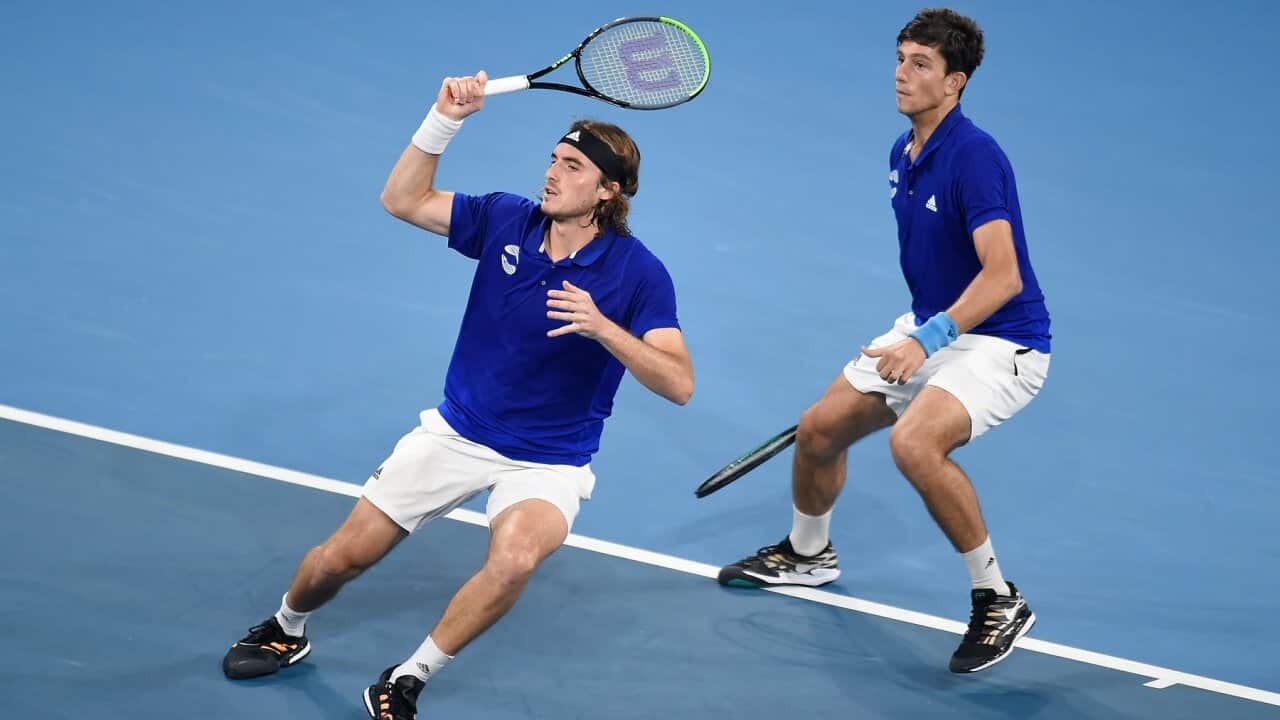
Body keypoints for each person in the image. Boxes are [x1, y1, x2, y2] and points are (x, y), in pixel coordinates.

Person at [221, 70, 694, 719]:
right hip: (456, 433)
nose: (553, 173)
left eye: (573, 166)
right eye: (553, 158)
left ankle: (408, 678)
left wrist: (604, 327)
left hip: (548, 460)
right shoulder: (506, 219)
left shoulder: (638, 274)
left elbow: (679, 384)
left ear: (608, 192)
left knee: (517, 559)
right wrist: (443, 120)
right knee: (339, 559)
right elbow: (402, 199)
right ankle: (285, 626)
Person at [717, 8, 1051, 674]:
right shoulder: (904, 152)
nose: (902, 74)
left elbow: (1005, 277)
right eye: (900, 58)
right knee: (818, 431)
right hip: (934, 322)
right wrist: (922, 331)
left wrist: (928, 341)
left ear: (954, 82)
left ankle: (997, 597)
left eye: (920, 64)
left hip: (1001, 343)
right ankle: (809, 554)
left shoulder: (975, 157)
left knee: (914, 443)